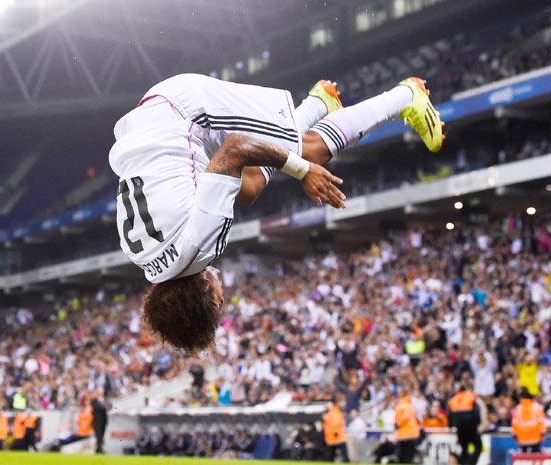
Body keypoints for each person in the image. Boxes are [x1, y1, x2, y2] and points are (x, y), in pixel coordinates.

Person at [109, 72, 444, 352]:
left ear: (207, 300)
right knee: (250, 185)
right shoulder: (146, 262)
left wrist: (302, 171)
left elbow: (234, 149)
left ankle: (405, 96)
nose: (224, 299)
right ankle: (319, 103)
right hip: (150, 123)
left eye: (219, 304)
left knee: (309, 152)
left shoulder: (200, 248)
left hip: (188, 109)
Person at [448, 381, 481, 465]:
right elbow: (476, 413)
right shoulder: (471, 396)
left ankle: (464, 463)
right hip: (471, 428)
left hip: (460, 429)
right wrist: (476, 424)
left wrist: (454, 426)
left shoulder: (453, 400)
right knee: (478, 446)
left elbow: (450, 417)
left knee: (464, 448)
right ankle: (471, 463)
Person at [511, 388, 547, 453]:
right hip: (535, 438)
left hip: (522, 438)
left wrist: (514, 434)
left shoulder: (518, 408)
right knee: (535, 459)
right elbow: (541, 421)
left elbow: (514, 423)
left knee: (524, 459)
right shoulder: (537, 407)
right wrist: (543, 433)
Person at [394, 388, 421, 464]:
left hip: (404, 434)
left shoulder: (401, 406)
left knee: (402, 457)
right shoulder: (411, 405)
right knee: (409, 457)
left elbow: (398, 421)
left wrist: (396, 425)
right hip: (412, 434)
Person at [323, 396, 349, 462]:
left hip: (332, 438)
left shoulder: (334, 411)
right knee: (344, 456)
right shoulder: (335, 412)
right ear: (337, 402)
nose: (343, 403)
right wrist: (336, 432)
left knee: (330, 457)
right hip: (336, 437)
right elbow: (334, 424)